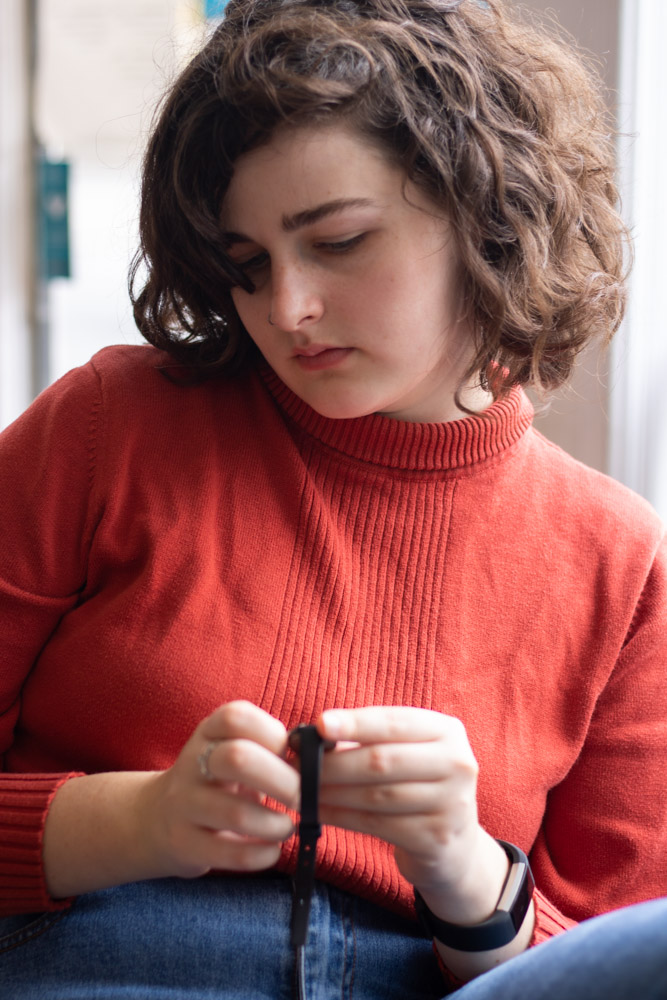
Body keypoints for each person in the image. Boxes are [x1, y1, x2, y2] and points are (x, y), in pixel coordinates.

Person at [0, 0, 665, 997]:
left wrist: (467, 873)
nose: (286, 308)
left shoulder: (620, 561)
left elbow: (616, 956)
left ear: (487, 216)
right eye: (246, 267)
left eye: (340, 240)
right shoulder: (108, 428)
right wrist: (140, 821)